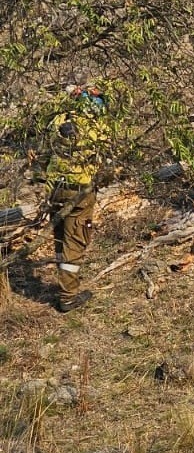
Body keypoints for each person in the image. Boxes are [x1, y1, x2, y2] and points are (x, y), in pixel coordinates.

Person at [43, 85, 111, 312]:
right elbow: (105, 154)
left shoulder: (58, 119)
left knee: (60, 236)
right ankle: (68, 297)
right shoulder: (96, 126)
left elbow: (45, 151)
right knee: (75, 240)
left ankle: (63, 283)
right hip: (79, 191)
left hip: (54, 188)